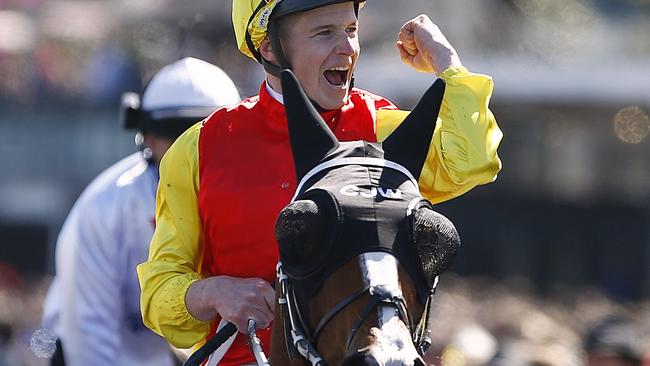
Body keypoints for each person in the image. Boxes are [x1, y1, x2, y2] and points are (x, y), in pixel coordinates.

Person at [137, 1, 504, 365]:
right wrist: (212, 292)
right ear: (269, 47)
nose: (346, 47)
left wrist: (448, 64)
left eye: (350, 30)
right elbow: (157, 293)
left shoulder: (381, 127)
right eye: (324, 33)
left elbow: (468, 162)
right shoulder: (198, 148)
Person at [41, 57, 241, 366]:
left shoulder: (251, 197)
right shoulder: (103, 207)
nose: (188, 153)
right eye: (176, 138)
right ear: (146, 137)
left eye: (203, 140)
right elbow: (89, 334)